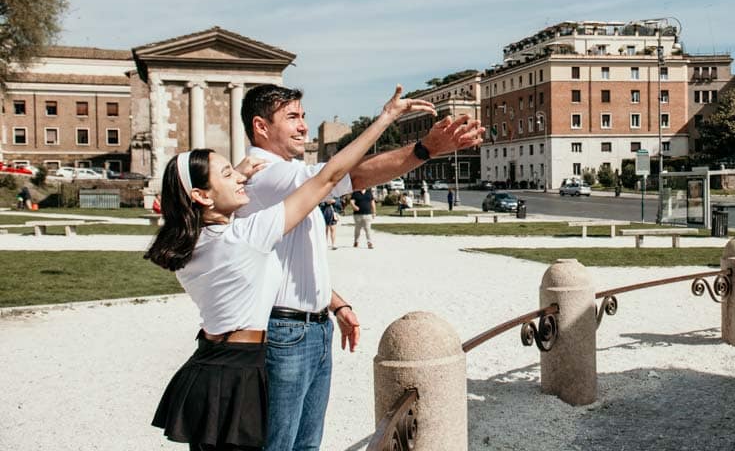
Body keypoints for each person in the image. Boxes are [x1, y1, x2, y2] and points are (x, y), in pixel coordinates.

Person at [145, 85, 426, 450]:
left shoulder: (194, 240)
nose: (241, 176)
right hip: (239, 367)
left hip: (213, 363)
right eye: (229, 174)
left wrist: (333, 300)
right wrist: (386, 117)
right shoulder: (245, 235)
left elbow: (280, 261)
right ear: (201, 196)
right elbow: (328, 178)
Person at [236, 85, 484, 451]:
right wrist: (413, 139)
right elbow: (350, 176)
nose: (303, 126)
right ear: (260, 126)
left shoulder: (288, 173)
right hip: (285, 331)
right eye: (292, 118)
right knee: (279, 445)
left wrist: (335, 303)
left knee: (305, 445)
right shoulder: (264, 175)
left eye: (303, 116)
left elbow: (286, 259)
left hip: (311, 328)